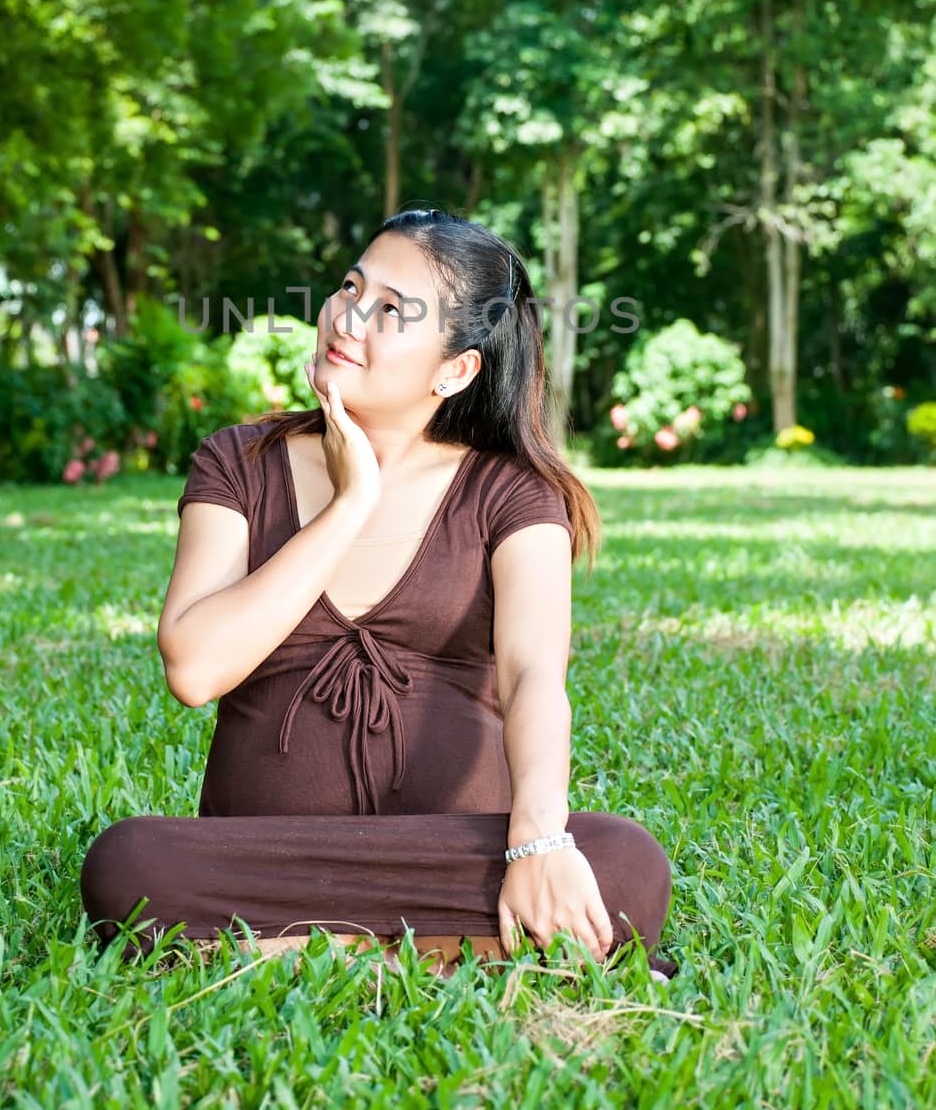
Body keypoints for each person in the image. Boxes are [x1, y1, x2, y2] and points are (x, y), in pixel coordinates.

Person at [80, 205, 677, 981]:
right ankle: (449, 957)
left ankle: (301, 957)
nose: (347, 316)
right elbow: (194, 670)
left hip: (452, 852)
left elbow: (534, 675)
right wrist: (348, 503)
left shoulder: (513, 494)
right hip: (268, 860)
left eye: (391, 310)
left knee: (625, 863)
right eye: (349, 287)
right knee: (128, 863)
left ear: (454, 369)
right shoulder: (238, 462)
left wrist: (536, 842)